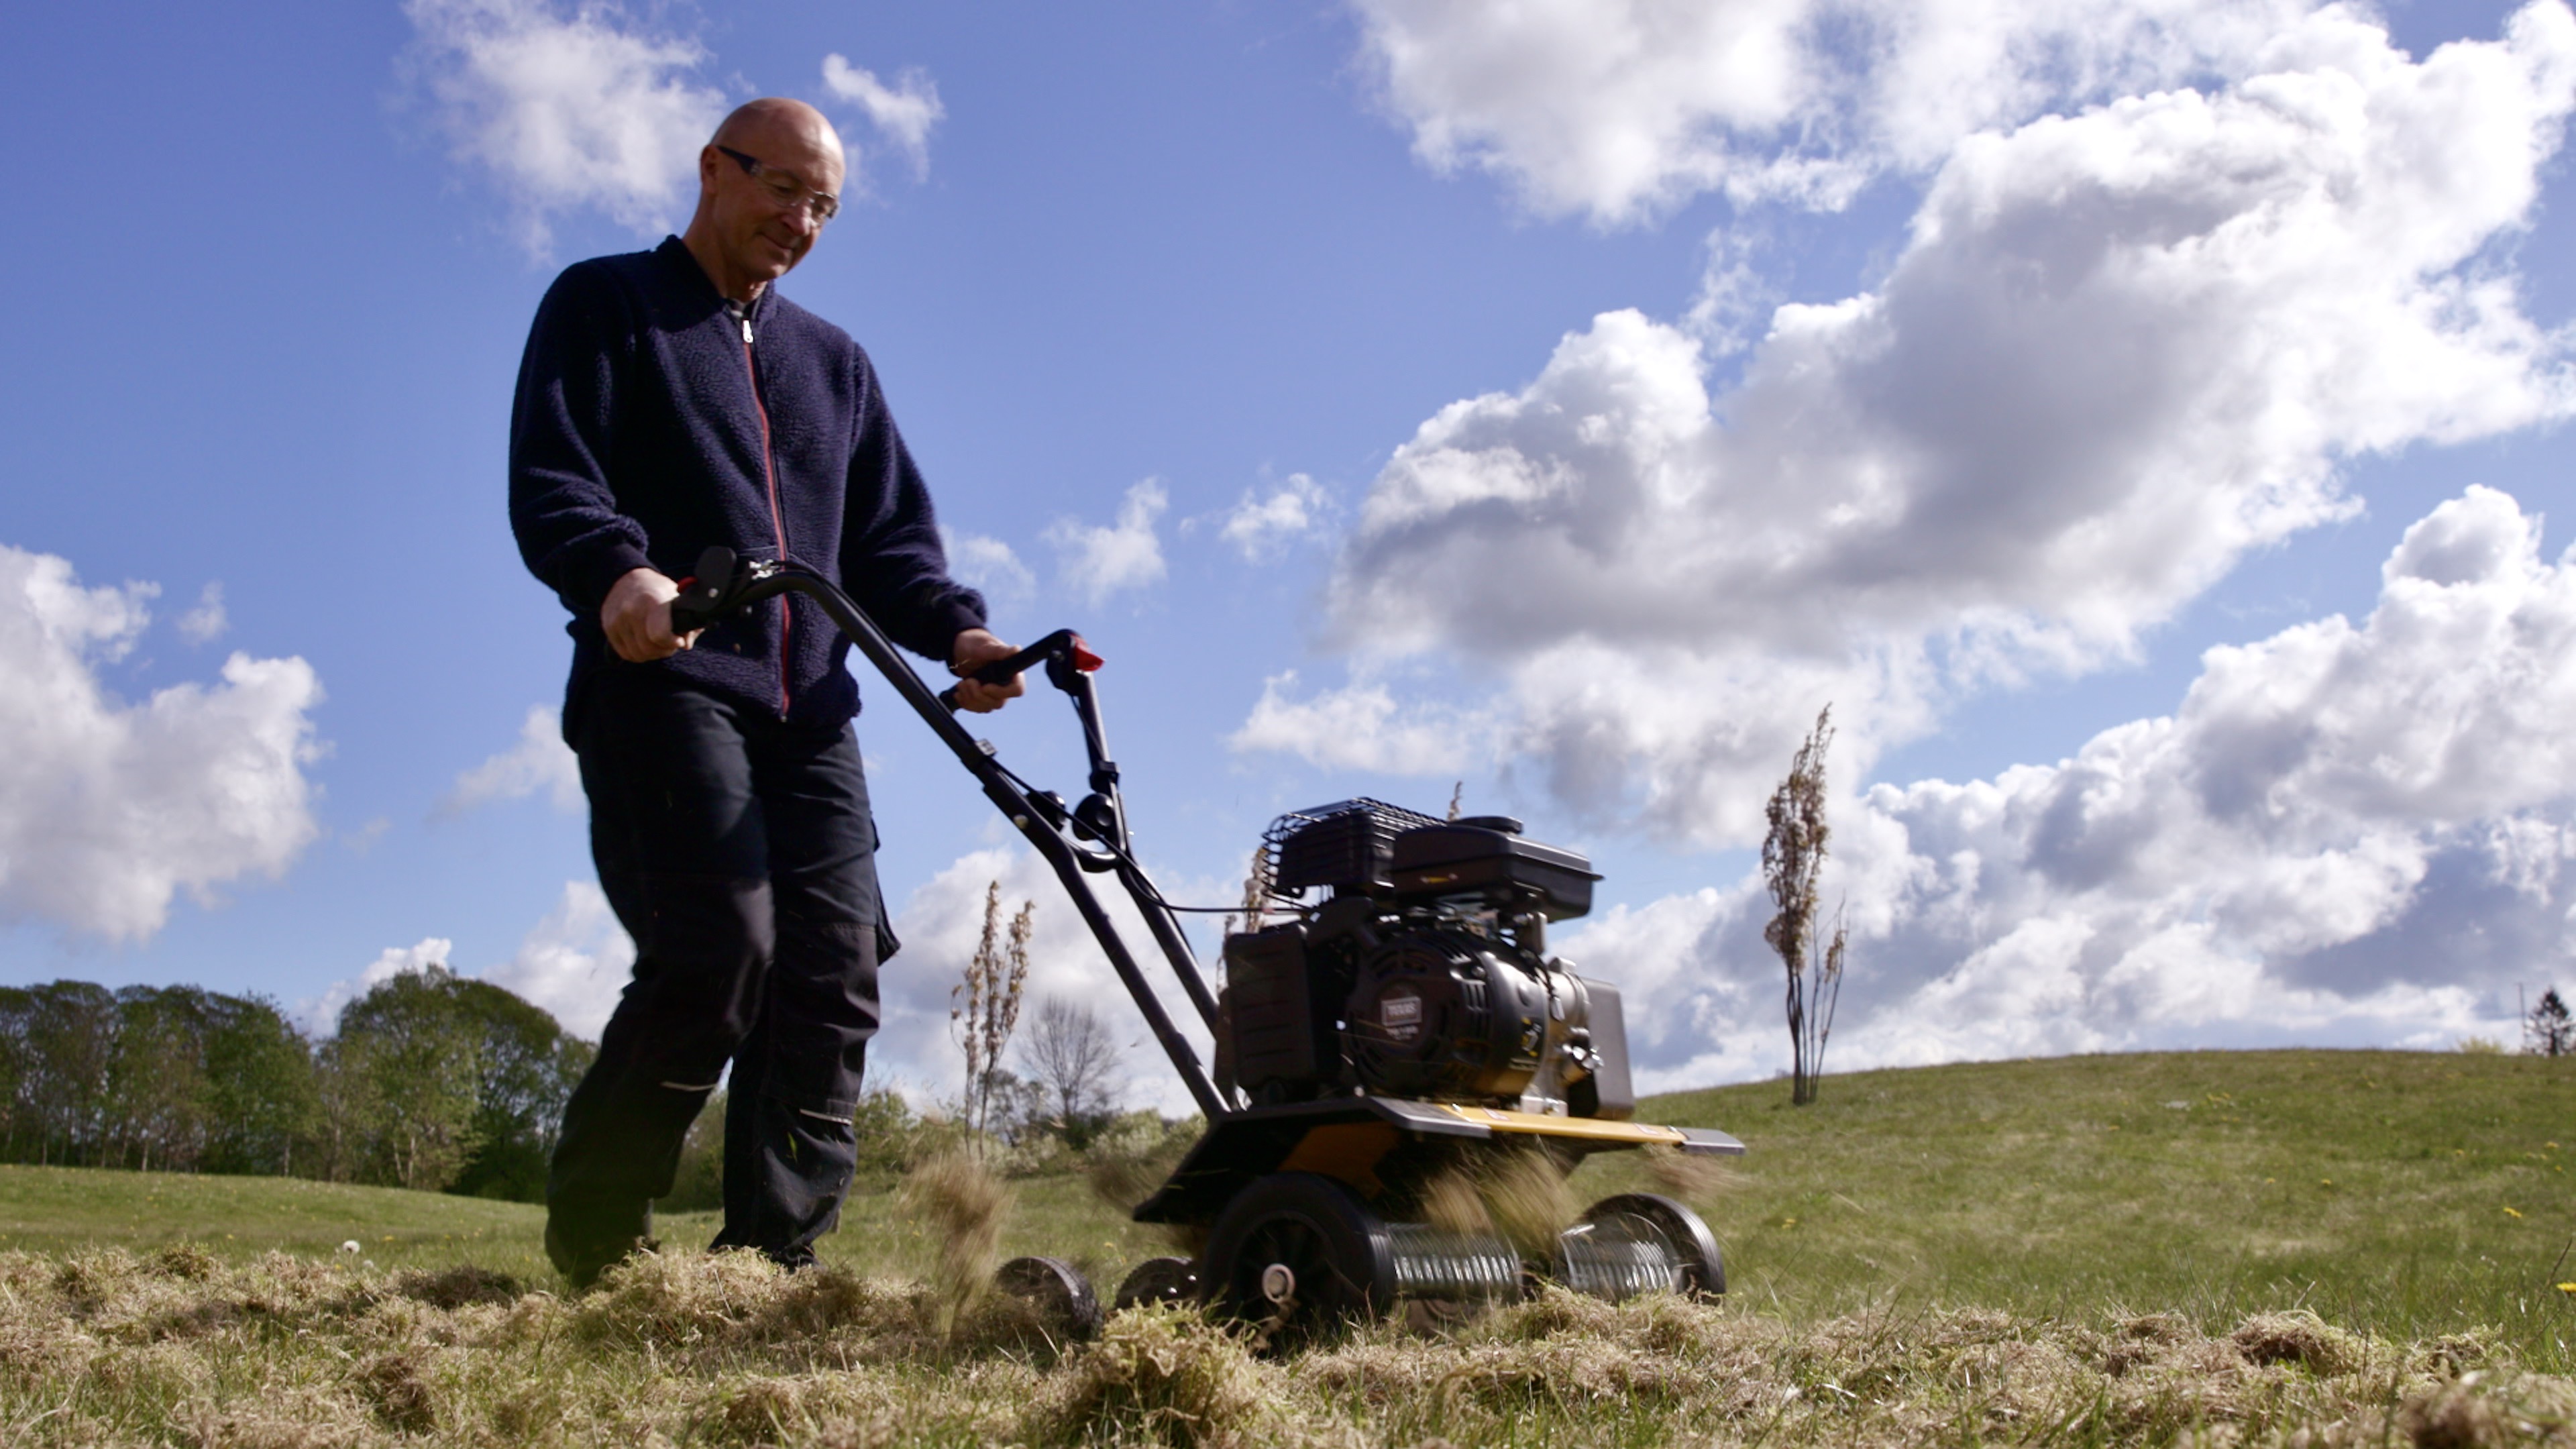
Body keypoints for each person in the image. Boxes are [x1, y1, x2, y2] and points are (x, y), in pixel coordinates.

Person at [509, 97, 1024, 1289]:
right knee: (718, 951)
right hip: (669, 678)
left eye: (823, 205)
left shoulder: (833, 363)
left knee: (833, 972)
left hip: (812, 708)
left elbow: (889, 544)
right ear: (714, 169)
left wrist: (964, 634)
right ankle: (600, 1244)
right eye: (781, 188)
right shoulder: (607, 306)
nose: (799, 220)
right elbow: (554, 477)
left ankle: (769, 1267)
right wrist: (618, 571)